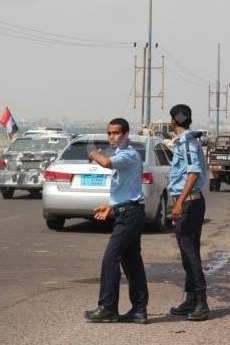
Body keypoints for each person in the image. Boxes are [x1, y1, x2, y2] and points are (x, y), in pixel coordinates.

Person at [84, 118, 149, 324]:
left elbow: (105, 163)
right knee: (131, 262)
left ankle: (108, 307)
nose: (112, 136)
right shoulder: (123, 154)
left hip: (130, 215)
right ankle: (139, 310)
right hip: (126, 211)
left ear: (126, 134)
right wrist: (111, 206)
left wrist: (92, 151)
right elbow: (128, 190)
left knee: (110, 258)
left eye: (116, 133)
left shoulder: (128, 154)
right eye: (109, 133)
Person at [167, 104, 210, 321]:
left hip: (189, 203)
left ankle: (202, 302)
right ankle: (191, 299)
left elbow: (193, 174)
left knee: (190, 254)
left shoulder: (187, 143)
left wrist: (178, 204)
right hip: (188, 202)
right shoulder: (187, 141)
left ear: (173, 121)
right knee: (187, 253)